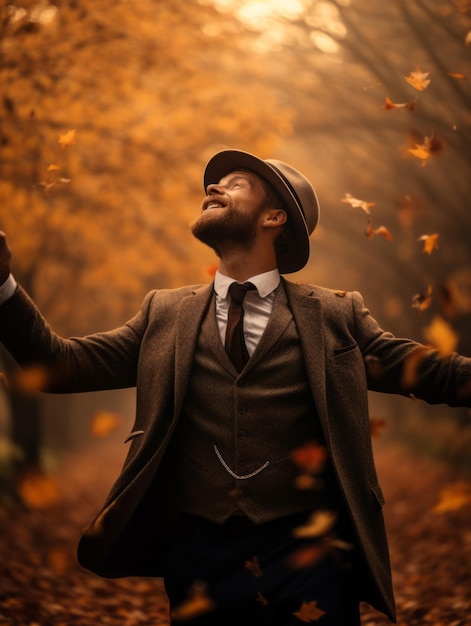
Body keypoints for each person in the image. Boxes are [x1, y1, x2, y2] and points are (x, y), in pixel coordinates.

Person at [0, 149, 470, 626]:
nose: (213, 188)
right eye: (215, 183)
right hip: (199, 560)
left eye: (237, 183)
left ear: (274, 216)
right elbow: (59, 365)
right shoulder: (164, 312)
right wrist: (3, 286)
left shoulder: (335, 314)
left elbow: (431, 373)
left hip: (312, 557)